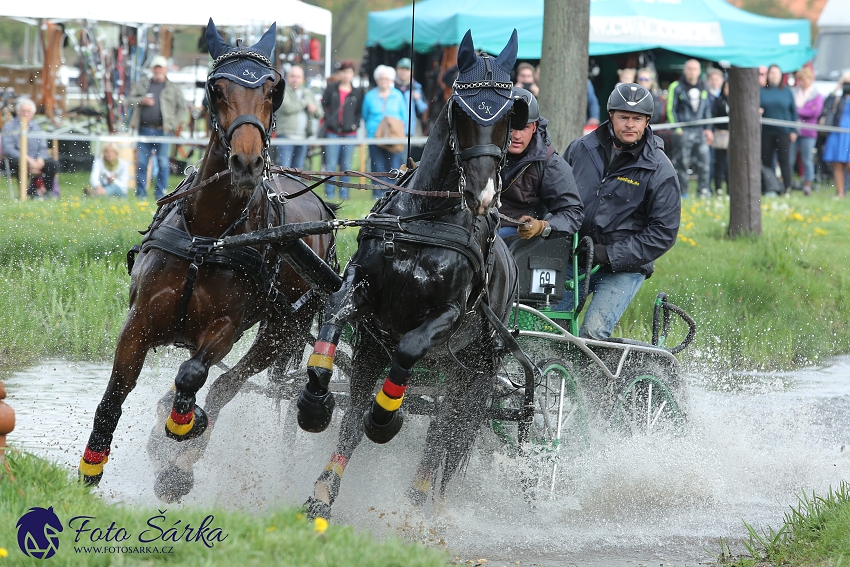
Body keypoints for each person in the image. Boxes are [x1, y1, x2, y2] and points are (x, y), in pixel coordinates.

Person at [562, 83, 680, 339]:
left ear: (647, 121)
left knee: (591, 333)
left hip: (623, 267)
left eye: (637, 119)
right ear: (611, 116)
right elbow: (556, 195)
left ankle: (596, 379)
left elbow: (664, 233)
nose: (630, 124)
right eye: (623, 117)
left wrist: (609, 254)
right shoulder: (580, 149)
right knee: (548, 324)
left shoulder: (660, 169)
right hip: (574, 258)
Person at [498, 88, 583, 242]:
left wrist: (542, 226)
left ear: (535, 127)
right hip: (476, 229)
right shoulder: (480, 152)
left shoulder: (550, 162)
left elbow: (573, 213)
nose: (516, 136)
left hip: (519, 239)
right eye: (511, 127)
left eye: (524, 127)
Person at [128, 55, 186, 199]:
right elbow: (128, 100)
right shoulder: (143, 84)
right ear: (152, 69)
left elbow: (182, 109)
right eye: (156, 67)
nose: (158, 70)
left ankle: (160, 194)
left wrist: (172, 125)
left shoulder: (174, 87)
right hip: (144, 130)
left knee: (163, 163)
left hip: (164, 132)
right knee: (141, 163)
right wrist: (142, 100)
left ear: (166, 69)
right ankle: (140, 194)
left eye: (161, 68)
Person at [666, 59, 714, 197]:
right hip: (683, 130)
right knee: (682, 162)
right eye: (689, 68)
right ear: (685, 70)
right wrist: (677, 128)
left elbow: (707, 109)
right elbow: (670, 109)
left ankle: (703, 191)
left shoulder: (704, 86)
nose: (692, 71)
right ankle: (683, 192)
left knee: (704, 162)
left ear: (699, 71)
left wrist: (708, 128)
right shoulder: (676, 86)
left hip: (700, 131)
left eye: (695, 69)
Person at [362, 64, 408, 198]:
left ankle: (392, 193)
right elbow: (365, 115)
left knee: (394, 165)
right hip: (374, 136)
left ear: (391, 80)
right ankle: (378, 193)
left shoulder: (398, 95)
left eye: (387, 79)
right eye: (381, 78)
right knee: (377, 165)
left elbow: (403, 116)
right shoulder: (370, 96)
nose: (384, 81)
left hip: (394, 137)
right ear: (377, 80)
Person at [0, 97, 60, 198]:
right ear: (18, 112)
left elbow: (42, 146)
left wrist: (40, 159)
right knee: (22, 163)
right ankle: (24, 193)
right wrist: (27, 159)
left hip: (35, 160)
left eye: (28, 111)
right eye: (23, 111)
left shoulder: (37, 128)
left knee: (52, 164)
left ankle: (49, 192)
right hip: (15, 160)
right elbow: (8, 149)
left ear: (33, 113)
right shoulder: (9, 126)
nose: (25, 113)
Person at [321, 61, 364, 200]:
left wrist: (355, 125)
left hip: (349, 134)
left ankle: (345, 194)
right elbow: (324, 105)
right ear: (339, 73)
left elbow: (358, 112)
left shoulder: (357, 92)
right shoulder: (331, 89)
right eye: (344, 72)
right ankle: (330, 193)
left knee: (346, 165)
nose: (346, 75)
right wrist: (330, 120)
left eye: (349, 72)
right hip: (332, 132)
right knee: (331, 164)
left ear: (353, 74)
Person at [760, 64, 798, 195]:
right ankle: (769, 187)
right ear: (768, 75)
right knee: (766, 161)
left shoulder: (787, 91)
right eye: (772, 73)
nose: (774, 75)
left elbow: (794, 112)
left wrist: (794, 130)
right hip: (766, 132)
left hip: (783, 132)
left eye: (776, 73)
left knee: (784, 160)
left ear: (781, 75)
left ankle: (787, 187)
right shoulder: (761, 91)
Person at [275, 65, 323, 169]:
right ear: (287, 77)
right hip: (286, 137)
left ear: (302, 78)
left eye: (298, 76)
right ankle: (283, 186)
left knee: (298, 170)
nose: (295, 79)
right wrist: (305, 102)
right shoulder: (282, 90)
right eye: (293, 76)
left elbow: (320, 113)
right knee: (284, 170)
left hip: (303, 138)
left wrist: (315, 109)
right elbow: (287, 108)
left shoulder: (307, 92)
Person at [791, 67, 824, 196]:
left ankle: (807, 186)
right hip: (794, 130)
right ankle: (789, 184)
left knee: (807, 159)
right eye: (800, 80)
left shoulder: (817, 95)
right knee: (790, 158)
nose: (802, 82)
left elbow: (814, 112)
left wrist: (798, 110)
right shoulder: (794, 92)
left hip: (809, 132)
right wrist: (804, 110)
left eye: (804, 80)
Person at [821, 74, 850, 198]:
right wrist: (838, 87)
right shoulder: (838, 97)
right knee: (837, 163)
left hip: (848, 133)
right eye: (846, 83)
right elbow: (826, 103)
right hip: (837, 131)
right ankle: (840, 193)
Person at [395, 57, 428, 136]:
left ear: (411, 72)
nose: (404, 72)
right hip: (393, 127)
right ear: (396, 70)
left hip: (409, 129)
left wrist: (418, 100)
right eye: (401, 68)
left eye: (407, 69)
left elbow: (423, 108)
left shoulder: (416, 87)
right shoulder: (391, 86)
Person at [711, 80, 730, 195]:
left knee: (731, 164)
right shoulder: (718, 101)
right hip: (721, 134)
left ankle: (730, 188)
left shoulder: (737, 101)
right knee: (720, 162)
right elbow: (714, 115)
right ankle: (718, 187)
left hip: (733, 135)